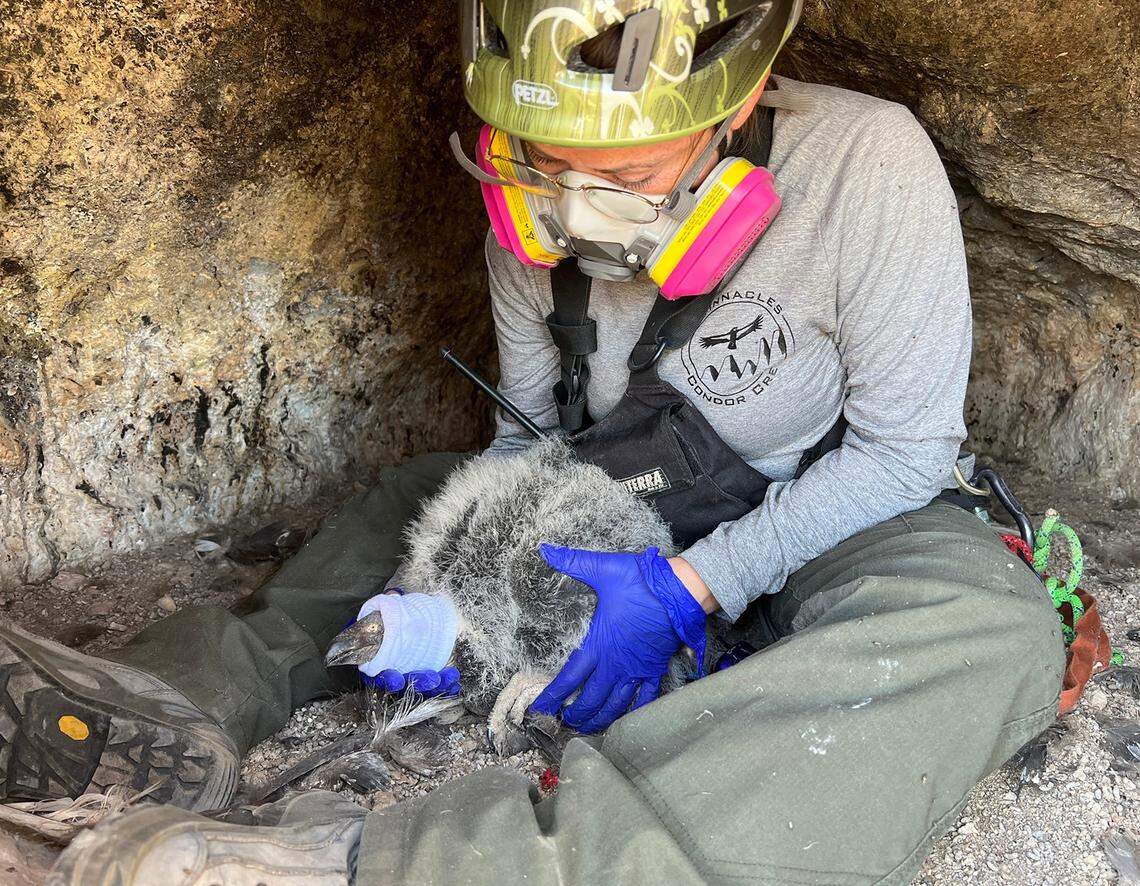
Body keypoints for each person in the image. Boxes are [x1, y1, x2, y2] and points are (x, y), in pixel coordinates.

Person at [10, 2, 1063, 883]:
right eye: (548, 162)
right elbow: (526, 435)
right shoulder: (526, 198)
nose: (569, 208)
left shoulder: (867, 163)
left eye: (630, 169)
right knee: (413, 497)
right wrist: (455, 589)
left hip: (833, 506)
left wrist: (694, 587)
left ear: (737, 101)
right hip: (609, 497)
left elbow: (905, 449)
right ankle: (151, 709)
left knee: (986, 628)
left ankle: (395, 864)